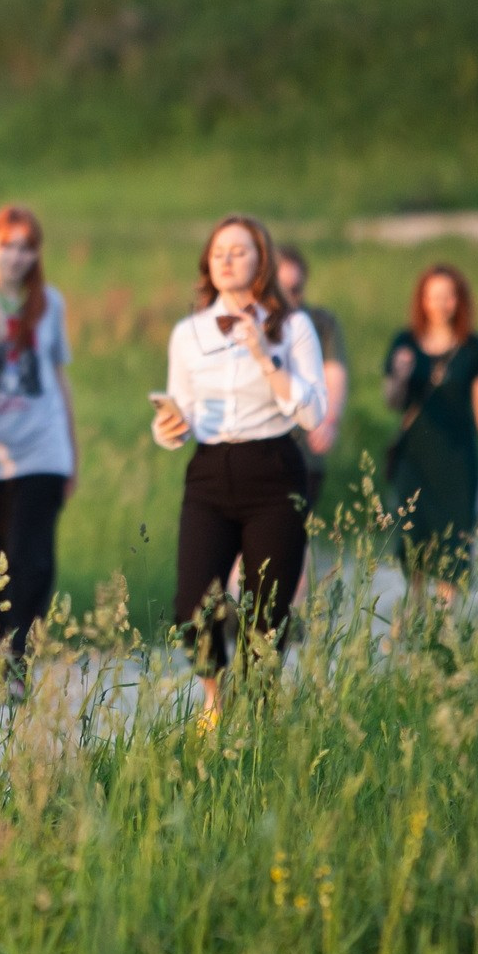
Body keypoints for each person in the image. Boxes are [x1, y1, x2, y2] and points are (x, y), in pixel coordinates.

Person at [150, 215, 328, 718]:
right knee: (191, 607)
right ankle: (216, 697)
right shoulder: (188, 333)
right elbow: (180, 409)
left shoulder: (292, 327)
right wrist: (168, 429)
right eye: (219, 252)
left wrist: (264, 356)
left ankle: (259, 714)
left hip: (273, 468)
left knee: (265, 611)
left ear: (261, 261)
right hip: (209, 470)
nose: (227, 260)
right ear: (208, 263)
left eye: (240, 251)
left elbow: (313, 412)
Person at [0, 206, 76, 658]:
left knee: (32, 563)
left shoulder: (49, 304)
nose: (16, 256)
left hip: (41, 450)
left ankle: (18, 656)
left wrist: (72, 456)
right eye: (7, 245)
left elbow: (58, 378)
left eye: (27, 247)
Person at [381, 265, 478, 596]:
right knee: (414, 535)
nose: (440, 304)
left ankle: (445, 618)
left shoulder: (472, 347)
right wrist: (400, 374)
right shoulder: (405, 342)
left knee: (454, 536)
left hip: (457, 457)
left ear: (459, 300)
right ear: (421, 301)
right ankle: (416, 605)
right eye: (433, 297)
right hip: (414, 457)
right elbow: (392, 401)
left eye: (448, 297)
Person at [272, 245, 347, 516]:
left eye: (296, 289)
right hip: (261, 452)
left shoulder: (319, 322)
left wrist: (329, 420)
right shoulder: (253, 323)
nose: (289, 297)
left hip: (303, 453)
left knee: (293, 537)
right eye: (281, 288)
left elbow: (334, 372)